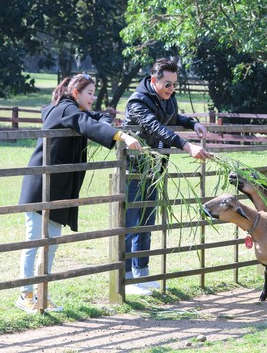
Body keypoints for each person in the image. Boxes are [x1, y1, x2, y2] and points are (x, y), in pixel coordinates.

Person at [16, 73, 143, 313]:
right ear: (75, 93)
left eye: (94, 93)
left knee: (50, 244)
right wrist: (120, 135)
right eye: (89, 93)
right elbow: (86, 123)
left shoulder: (69, 109)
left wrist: (110, 122)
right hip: (40, 189)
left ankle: (42, 294)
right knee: (34, 242)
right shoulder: (65, 109)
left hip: (56, 189)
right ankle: (25, 294)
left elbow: (92, 117)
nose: (93, 98)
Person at [123, 58, 211, 296]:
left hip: (155, 169)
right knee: (131, 224)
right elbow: (156, 128)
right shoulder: (137, 102)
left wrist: (193, 124)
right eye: (168, 84)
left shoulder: (167, 98)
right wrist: (186, 146)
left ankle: (141, 273)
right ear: (154, 80)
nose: (172, 89)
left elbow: (173, 119)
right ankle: (126, 278)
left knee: (147, 222)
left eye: (175, 85)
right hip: (134, 169)